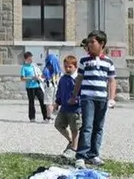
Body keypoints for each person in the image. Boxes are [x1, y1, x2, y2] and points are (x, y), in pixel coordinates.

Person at [70, 30, 116, 169]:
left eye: (92, 42)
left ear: (101, 43)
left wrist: (112, 98)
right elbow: (79, 79)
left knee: (99, 127)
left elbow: (112, 81)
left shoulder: (109, 62)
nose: (89, 45)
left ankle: (93, 154)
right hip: (87, 97)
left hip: (102, 98)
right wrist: (74, 95)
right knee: (87, 126)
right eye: (88, 42)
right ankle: (81, 156)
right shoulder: (84, 61)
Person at [54, 55, 81, 159]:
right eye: (65, 67)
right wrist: (57, 102)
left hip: (75, 109)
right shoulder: (63, 79)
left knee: (75, 128)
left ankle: (74, 148)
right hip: (64, 108)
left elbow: (83, 93)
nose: (67, 69)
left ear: (75, 66)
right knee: (58, 124)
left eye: (70, 67)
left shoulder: (78, 79)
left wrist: (77, 100)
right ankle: (70, 141)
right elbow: (60, 92)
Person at [20, 51, 48, 123]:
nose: (31, 60)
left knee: (42, 100)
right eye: (29, 59)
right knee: (31, 102)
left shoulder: (34, 66)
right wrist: (31, 78)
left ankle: (45, 117)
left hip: (37, 85)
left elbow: (39, 73)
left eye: (31, 59)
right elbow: (22, 78)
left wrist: (39, 77)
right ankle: (32, 117)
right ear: (26, 59)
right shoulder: (24, 67)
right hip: (30, 87)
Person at [42, 51, 62, 119]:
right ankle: (54, 115)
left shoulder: (47, 69)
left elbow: (44, 77)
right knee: (54, 102)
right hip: (56, 87)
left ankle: (48, 117)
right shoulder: (58, 70)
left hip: (49, 87)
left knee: (48, 103)